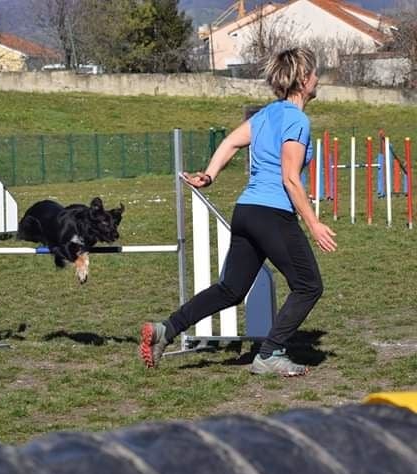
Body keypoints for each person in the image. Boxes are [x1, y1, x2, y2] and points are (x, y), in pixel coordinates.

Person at [140, 47, 337, 376]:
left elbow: (231, 142)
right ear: (304, 80)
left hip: (246, 212)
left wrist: (210, 174)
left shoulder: (264, 115)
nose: (318, 79)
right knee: (308, 286)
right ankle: (270, 353)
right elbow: (290, 178)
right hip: (272, 214)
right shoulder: (297, 120)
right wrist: (314, 223)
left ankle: (165, 329)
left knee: (231, 289)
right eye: (315, 74)